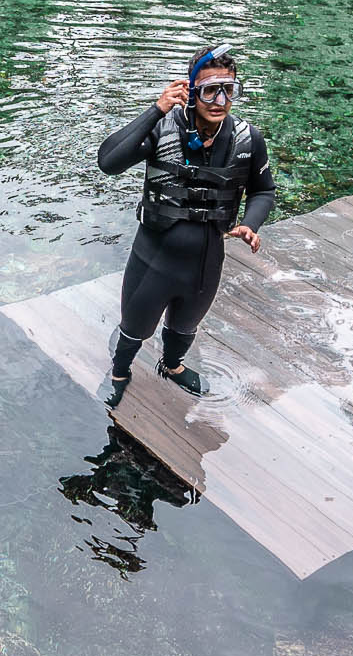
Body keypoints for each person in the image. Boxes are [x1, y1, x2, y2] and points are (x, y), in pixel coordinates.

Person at [95, 45, 275, 404]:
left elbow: (264, 191)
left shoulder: (247, 139)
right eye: (210, 90)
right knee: (134, 328)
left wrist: (251, 223)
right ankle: (119, 371)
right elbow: (109, 162)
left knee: (184, 327)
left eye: (229, 90)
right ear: (190, 91)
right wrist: (156, 109)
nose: (220, 100)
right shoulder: (162, 128)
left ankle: (173, 366)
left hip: (206, 262)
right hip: (153, 257)